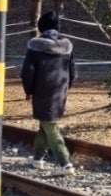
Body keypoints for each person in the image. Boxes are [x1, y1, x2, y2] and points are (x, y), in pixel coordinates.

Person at [21, 10, 76, 172]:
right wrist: (65, 88)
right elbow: (73, 72)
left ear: (40, 27)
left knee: (50, 126)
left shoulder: (35, 47)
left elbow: (27, 72)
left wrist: (28, 90)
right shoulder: (67, 47)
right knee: (45, 124)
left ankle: (65, 162)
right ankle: (37, 158)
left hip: (41, 91)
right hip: (60, 91)